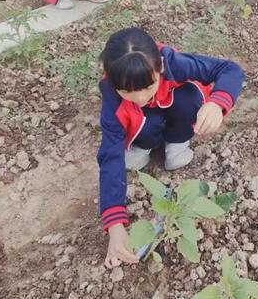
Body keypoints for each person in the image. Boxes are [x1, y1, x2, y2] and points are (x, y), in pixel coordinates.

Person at [96, 27, 245, 268]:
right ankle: (143, 145)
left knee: (188, 97)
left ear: (160, 67)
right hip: (145, 122)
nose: (141, 97)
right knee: (136, 130)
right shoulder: (112, 96)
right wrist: (114, 224)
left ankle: (177, 142)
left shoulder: (173, 62)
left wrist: (218, 103)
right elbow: (109, 155)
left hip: (178, 110)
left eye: (148, 86)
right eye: (127, 92)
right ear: (114, 84)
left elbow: (229, 69)